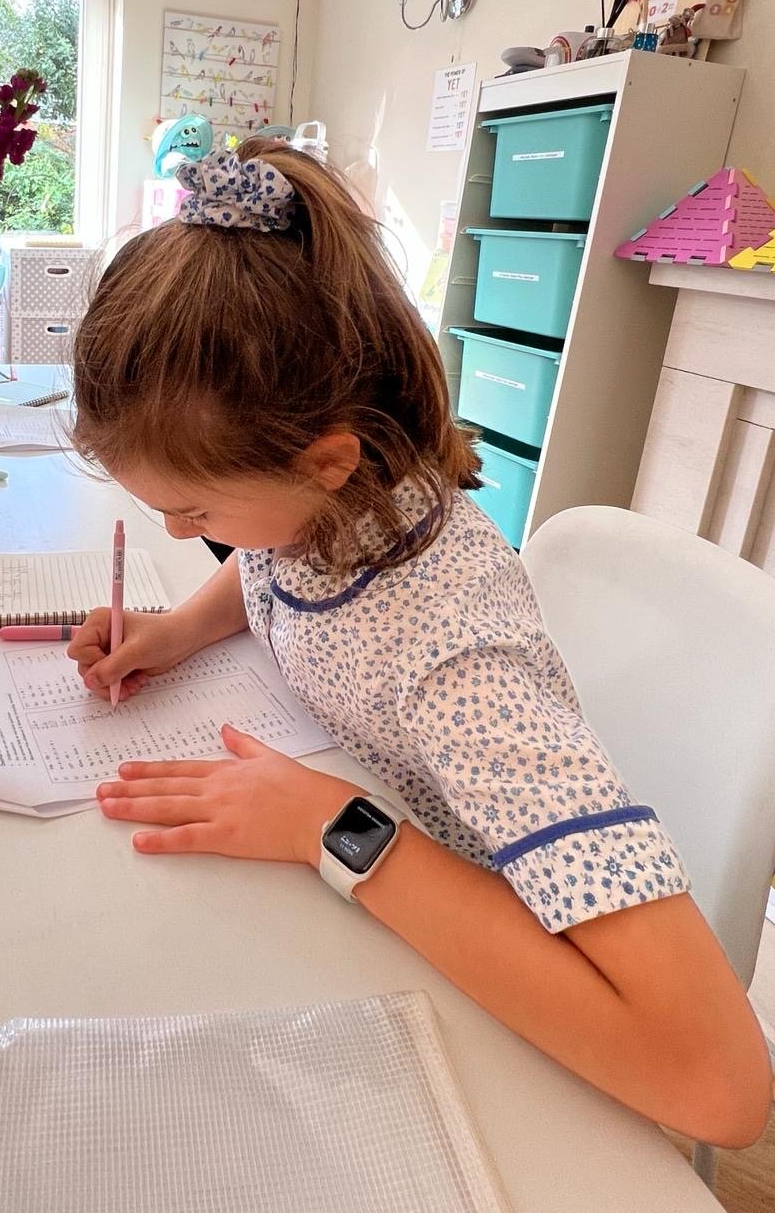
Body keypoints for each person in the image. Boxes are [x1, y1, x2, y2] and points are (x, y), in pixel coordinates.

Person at [67, 139, 771, 1148]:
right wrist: (179, 628)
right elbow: (272, 560)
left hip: (517, 1004)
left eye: (190, 509)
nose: (187, 535)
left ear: (325, 459)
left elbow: (724, 1088)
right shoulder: (336, 502)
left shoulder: (454, 663)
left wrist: (332, 827)